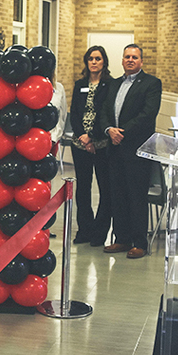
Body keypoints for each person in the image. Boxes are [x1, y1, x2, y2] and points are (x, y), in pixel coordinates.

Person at [100, 44, 162, 258]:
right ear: (122, 60)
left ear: (141, 61)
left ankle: (139, 243)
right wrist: (109, 130)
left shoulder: (152, 84)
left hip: (137, 150)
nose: (130, 60)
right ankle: (122, 239)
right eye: (127, 56)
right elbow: (104, 112)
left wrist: (121, 133)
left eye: (135, 57)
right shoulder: (114, 84)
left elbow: (147, 115)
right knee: (118, 196)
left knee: (136, 197)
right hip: (114, 149)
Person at [70, 46, 113, 246]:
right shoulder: (80, 84)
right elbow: (75, 113)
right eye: (90, 59)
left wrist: (94, 138)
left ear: (104, 62)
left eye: (98, 58)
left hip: (102, 144)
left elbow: (106, 114)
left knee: (105, 187)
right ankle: (84, 230)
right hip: (80, 145)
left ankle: (99, 232)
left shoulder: (110, 85)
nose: (94, 62)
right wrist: (83, 137)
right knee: (83, 189)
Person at [49, 71, 67, 158]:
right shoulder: (27, 87)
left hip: (52, 137)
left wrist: (55, 137)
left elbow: (62, 115)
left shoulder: (59, 87)